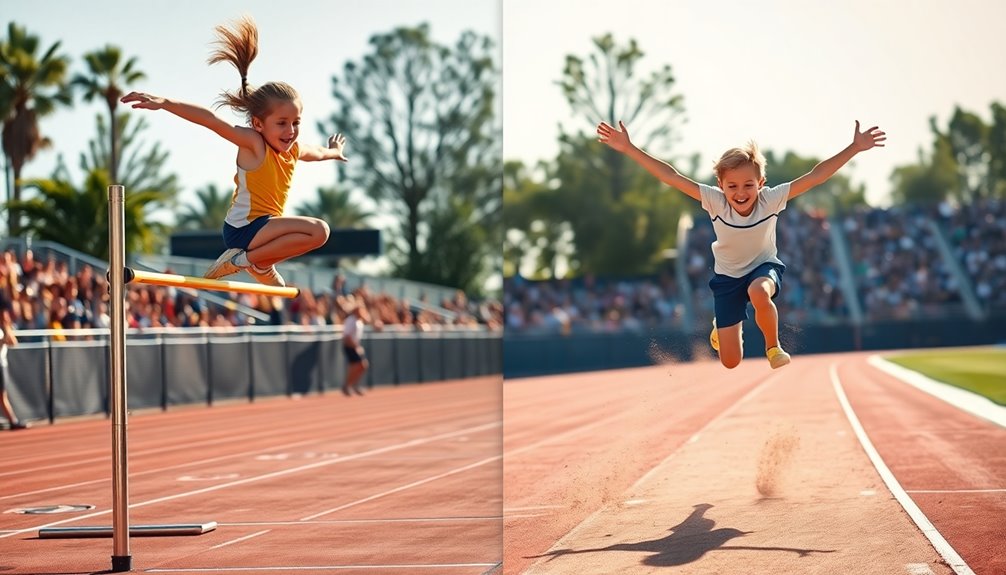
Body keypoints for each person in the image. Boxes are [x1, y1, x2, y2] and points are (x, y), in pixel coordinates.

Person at [596, 120, 885, 369]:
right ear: (720, 185)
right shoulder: (715, 202)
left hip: (763, 267)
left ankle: (773, 347)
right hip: (727, 278)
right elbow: (671, 177)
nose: (741, 192)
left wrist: (854, 148)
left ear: (761, 183)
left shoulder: (770, 200)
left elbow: (815, 176)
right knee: (731, 361)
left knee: (759, 291)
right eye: (732, 186)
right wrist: (629, 148)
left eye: (748, 185)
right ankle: (719, 327)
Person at [121, 15, 348, 288]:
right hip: (243, 230)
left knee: (315, 235)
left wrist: (334, 151)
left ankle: (260, 263)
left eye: (296, 122)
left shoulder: (293, 150)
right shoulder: (254, 144)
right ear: (258, 124)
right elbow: (211, 120)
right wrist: (165, 102)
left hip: (264, 230)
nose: (290, 130)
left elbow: (318, 152)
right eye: (281, 123)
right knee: (319, 230)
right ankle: (244, 261)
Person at [1, 296, 28, 430]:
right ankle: (12, 420)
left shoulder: (4, 328)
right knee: (2, 395)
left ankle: (12, 420)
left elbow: (13, 342)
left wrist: (7, 329)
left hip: (2, 363)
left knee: (2, 394)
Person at [341, 297, 369, 396]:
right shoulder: (351, 320)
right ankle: (347, 386)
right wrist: (355, 347)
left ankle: (353, 385)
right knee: (357, 366)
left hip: (355, 346)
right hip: (350, 346)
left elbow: (368, 319)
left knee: (362, 366)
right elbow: (347, 337)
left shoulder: (359, 321)